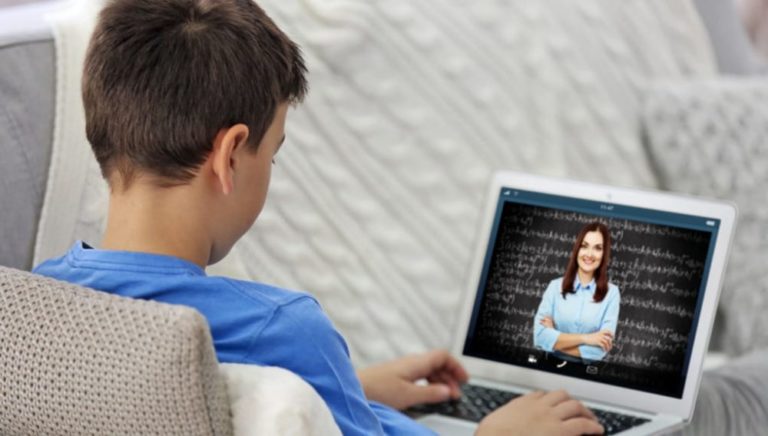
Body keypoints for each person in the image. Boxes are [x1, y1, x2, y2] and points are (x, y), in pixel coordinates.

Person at [33, 1, 603, 435]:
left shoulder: (43, 300)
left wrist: (347, 388)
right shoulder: (280, 329)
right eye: (272, 152)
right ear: (230, 156)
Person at [533, 221, 621, 363]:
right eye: (584, 246)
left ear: (604, 254)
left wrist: (554, 339)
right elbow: (540, 337)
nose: (589, 254)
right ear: (577, 249)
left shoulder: (612, 293)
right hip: (549, 367)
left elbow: (598, 351)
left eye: (597, 248)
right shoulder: (554, 287)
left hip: (587, 375)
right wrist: (588, 339)